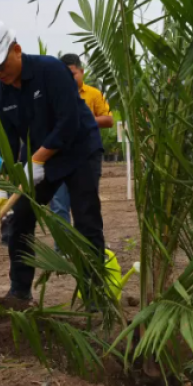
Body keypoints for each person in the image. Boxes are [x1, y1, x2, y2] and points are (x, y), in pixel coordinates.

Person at [0, 19, 105, 304]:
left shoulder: (51, 71)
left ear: (16, 50)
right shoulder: (1, 93)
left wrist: (37, 160)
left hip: (79, 151)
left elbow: (68, 123)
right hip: (39, 160)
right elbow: (6, 143)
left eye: (0, 67)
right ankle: (19, 292)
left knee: (86, 220)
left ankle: (95, 296)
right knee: (21, 220)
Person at [49, 54, 112, 248]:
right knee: (59, 203)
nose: (69, 78)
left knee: (85, 203)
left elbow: (108, 120)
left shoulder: (93, 94)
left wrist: (82, 118)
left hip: (87, 155)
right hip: (59, 155)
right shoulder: (53, 96)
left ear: (81, 72)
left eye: (73, 73)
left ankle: (87, 246)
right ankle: (65, 248)